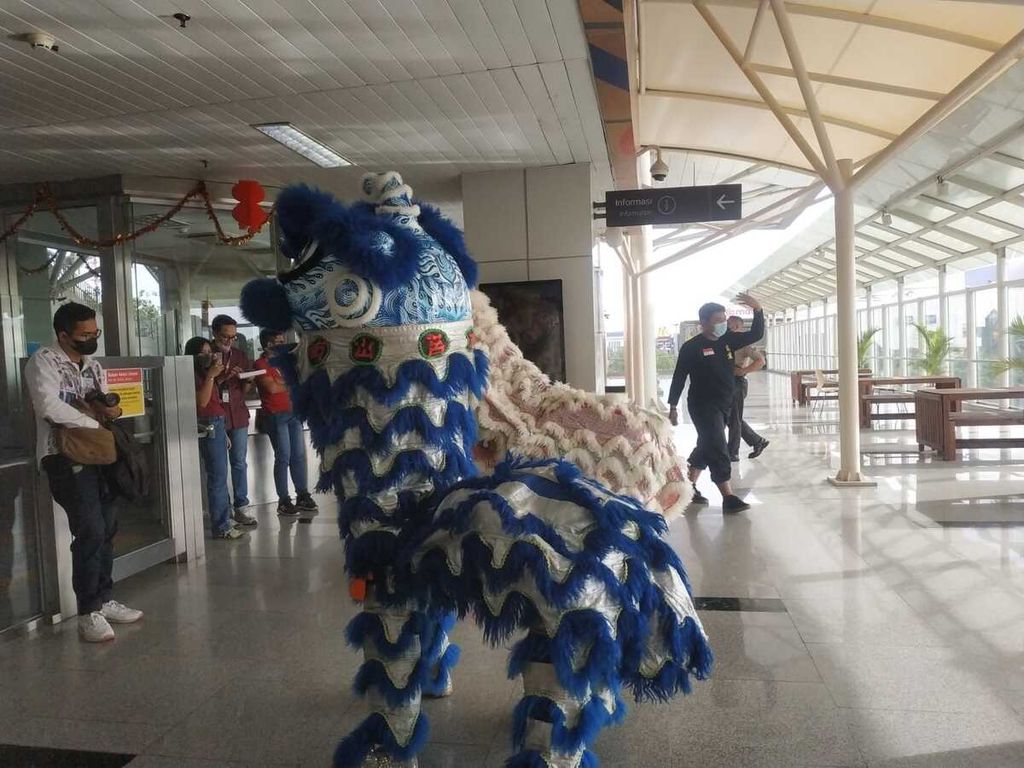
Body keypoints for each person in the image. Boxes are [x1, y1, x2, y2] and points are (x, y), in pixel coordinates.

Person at [25, 302, 143, 642]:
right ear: (64, 335)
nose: (91, 340)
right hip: (62, 455)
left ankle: (104, 598)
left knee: (108, 525)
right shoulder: (44, 362)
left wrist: (110, 409)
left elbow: (105, 405)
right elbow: (47, 405)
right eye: (84, 335)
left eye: (95, 333)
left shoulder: (92, 365)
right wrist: (91, 422)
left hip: (100, 452)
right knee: (90, 527)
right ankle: (88, 611)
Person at [667, 292, 764, 513]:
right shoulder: (691, 347)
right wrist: (673, 406)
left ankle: (688, 488)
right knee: (718, 446)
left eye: (724, 319)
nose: (723, 324)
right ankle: (728, 497)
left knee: (707, 445)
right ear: (704, 323)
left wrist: (757, 309)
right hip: (703, 405)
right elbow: (679, 376)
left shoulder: (728, 340)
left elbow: (757, 332)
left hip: (725, 403)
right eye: (718, 320)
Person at [185, 337, 246, 541]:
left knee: (221, 474)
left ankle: (225, 518)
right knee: (217, 477)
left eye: (209, 351)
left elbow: (213, 398)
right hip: (208, 420)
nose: (208, 355)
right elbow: (202, 402)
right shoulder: (192, 374)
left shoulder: (205, 374)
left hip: (218, 422)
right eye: (202, 352)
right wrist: (212, 376)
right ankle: (221, 525)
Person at [254, 329, 318, 516]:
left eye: (283, 340)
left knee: (298, 455)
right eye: (277, 341)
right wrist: (289, 383)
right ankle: (283, 499)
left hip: (293, 412)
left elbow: (299, 381)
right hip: (275, 414)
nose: (282, 344)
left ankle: (303, 494)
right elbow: (272, 388)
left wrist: (287, 382)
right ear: (268, 344)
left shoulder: (287, 362)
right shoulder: (260, 363)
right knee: (283, 456)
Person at [210, 314, 257, 527]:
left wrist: (247, 380)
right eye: (225, 337)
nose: (229, 341)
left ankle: (241, 506)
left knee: (239, 462)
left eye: (233, 337)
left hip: (238, 414)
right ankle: (223, 510)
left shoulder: (240, 355)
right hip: (217, 415)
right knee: (219, 468)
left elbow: (245, 389)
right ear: (214, 334)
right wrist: (224, 377)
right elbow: (205, 387)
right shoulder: (207, 355)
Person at [727, 315, 770, 462]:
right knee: (732, 417)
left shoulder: (744, 344)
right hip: (727, 382)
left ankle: (733, 453)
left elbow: (760, 361)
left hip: (737, 382)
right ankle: (758, 441)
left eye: (732, 325)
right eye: (728, 324)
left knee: (734, 418)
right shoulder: (726, 342)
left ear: (740, 327)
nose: (729, 327)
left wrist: (743, 371)